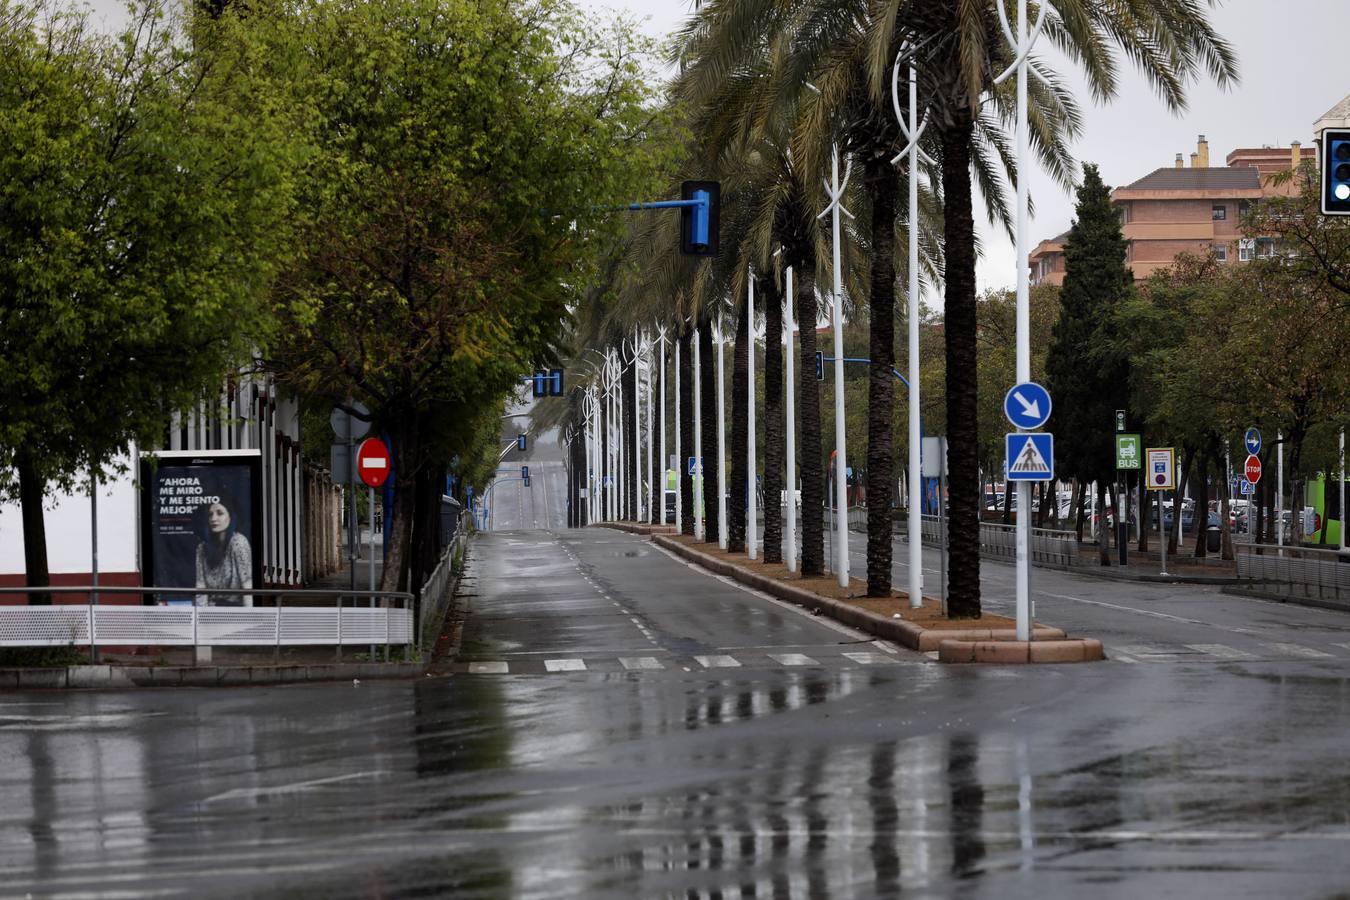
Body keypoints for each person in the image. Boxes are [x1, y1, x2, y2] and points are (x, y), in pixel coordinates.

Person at [195, 493, 252, 606]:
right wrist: (201, 618)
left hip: (235, 612)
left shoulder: (238, 543)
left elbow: (248, 586)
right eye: (210, 514)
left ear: (231, 516)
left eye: (220, 513)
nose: (213, 518)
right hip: (210, 612)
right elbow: (200, 588)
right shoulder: (202, 548)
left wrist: (249, 619)